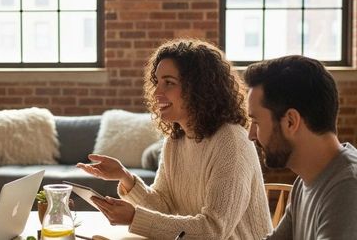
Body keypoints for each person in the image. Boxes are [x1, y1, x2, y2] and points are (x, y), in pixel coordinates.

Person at [77, 40, 272, 239]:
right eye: (157, 82)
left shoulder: (231, 142)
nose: (156, 93)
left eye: (169, 83)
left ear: (200, 89)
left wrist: (134, 218)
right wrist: (125, 177)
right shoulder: (175, 140)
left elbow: (213, 230)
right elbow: (163, 205)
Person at [244, 55, 357, 239]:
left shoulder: (347, 189)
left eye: (256, 122)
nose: (251, 134)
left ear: (290, 121)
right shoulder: (305, 181)